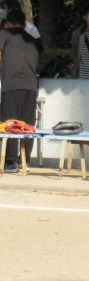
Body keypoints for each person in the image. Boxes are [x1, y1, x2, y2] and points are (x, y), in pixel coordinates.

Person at [0, 9, 40, 172]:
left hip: (12, 84)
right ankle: (26, 159)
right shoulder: (32, 40)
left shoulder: (5, 34)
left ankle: (10, 162)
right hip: (31, 85)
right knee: (27, 124)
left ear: (7, 24)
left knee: (10, 122)